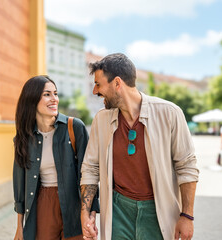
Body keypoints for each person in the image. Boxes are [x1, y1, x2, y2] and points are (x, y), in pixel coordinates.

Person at [80, 53, 199, 240]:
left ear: (117, 83)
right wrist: (85, 211)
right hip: (117, 211)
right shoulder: (101, 120)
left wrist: (187, 215)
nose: (95, 91)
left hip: (157, 213)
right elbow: (90, 168)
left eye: (98, 84)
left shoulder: (170, 113)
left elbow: (187, 167)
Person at [13, 76, 99, 240]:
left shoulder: (75, 128)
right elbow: (20, 185)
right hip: (43, 205)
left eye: (56, 93)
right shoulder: (24, 138)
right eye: (47, 94)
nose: (55, 99)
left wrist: (91, 216)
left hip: (75, 205)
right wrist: (20, 227)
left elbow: (89, 175)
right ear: (32, 99)